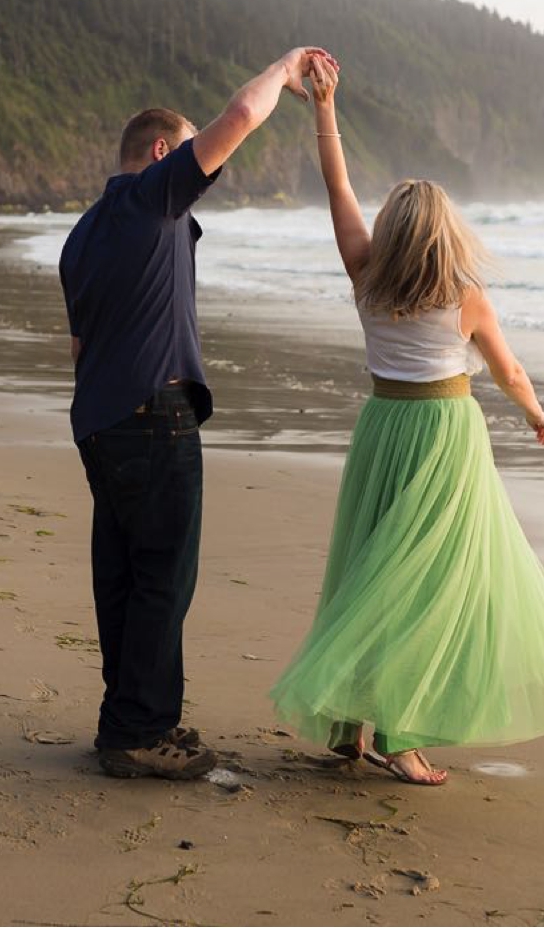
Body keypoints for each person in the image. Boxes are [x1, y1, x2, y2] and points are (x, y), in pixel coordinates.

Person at [269, 56, 544, 786]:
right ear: (447, 234)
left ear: (391, 232)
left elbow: (337, 186)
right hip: (447, 439)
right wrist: (537, 413)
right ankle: (403, 735)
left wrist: (323, 110)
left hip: (383, 431)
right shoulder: (467, 297)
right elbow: (511, 372)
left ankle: (348, 726)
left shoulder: (363, 272)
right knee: (426, 586)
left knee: (369, 572)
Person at [59, 46, 336, 781]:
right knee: (163, 575)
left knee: (122, 574)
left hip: (100, 418)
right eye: (186, 155)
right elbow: (241, 117)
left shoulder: (82, 234)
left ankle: (125, 723)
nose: (200, 173)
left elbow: (81, 345)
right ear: (159, 154)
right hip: (154, 413)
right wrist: (287, 69)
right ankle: (143, 730)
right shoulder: (152, 197)